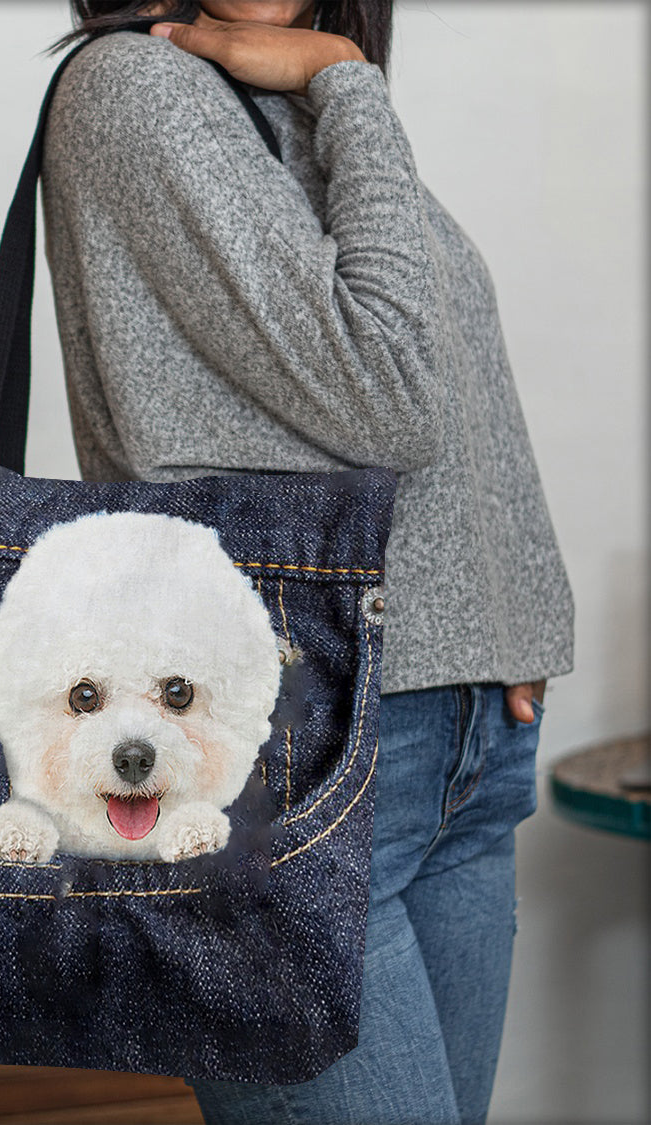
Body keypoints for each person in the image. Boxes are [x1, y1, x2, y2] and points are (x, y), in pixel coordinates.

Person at [39, 2, 575, 1122]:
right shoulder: (140, 89)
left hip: (456, 748)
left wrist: (501, 630)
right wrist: (350, 78)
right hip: (296, 763)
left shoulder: (284, 96)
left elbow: (453, 370)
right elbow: (391, 393)